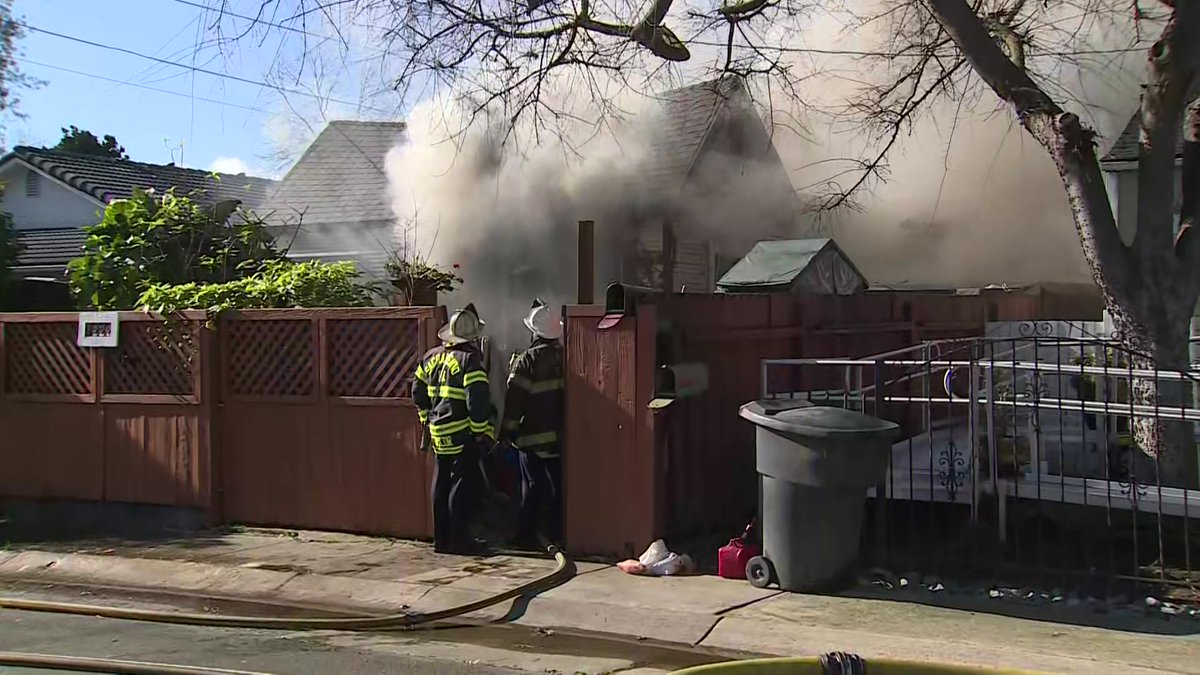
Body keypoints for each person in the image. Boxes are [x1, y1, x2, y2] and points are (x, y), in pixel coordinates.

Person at [414, 303, 495, 554]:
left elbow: (417, 392)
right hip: (463, 433)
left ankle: (441, 540)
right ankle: (460, 540)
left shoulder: (430, 356)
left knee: (441, 484)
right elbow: (477, 400)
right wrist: (480, 431)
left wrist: (426, 418)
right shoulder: (470, 359)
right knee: (462, 486)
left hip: (438, 432)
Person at [499, 299, 565, 549]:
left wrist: (506, 432)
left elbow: (515, 401)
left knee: (532, 487)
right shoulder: (567, 356)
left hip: (532, 439)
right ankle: (555, 533)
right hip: (560, 438)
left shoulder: (527, 360)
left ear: (534, 331)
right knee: (557, 487)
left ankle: (526, 537)